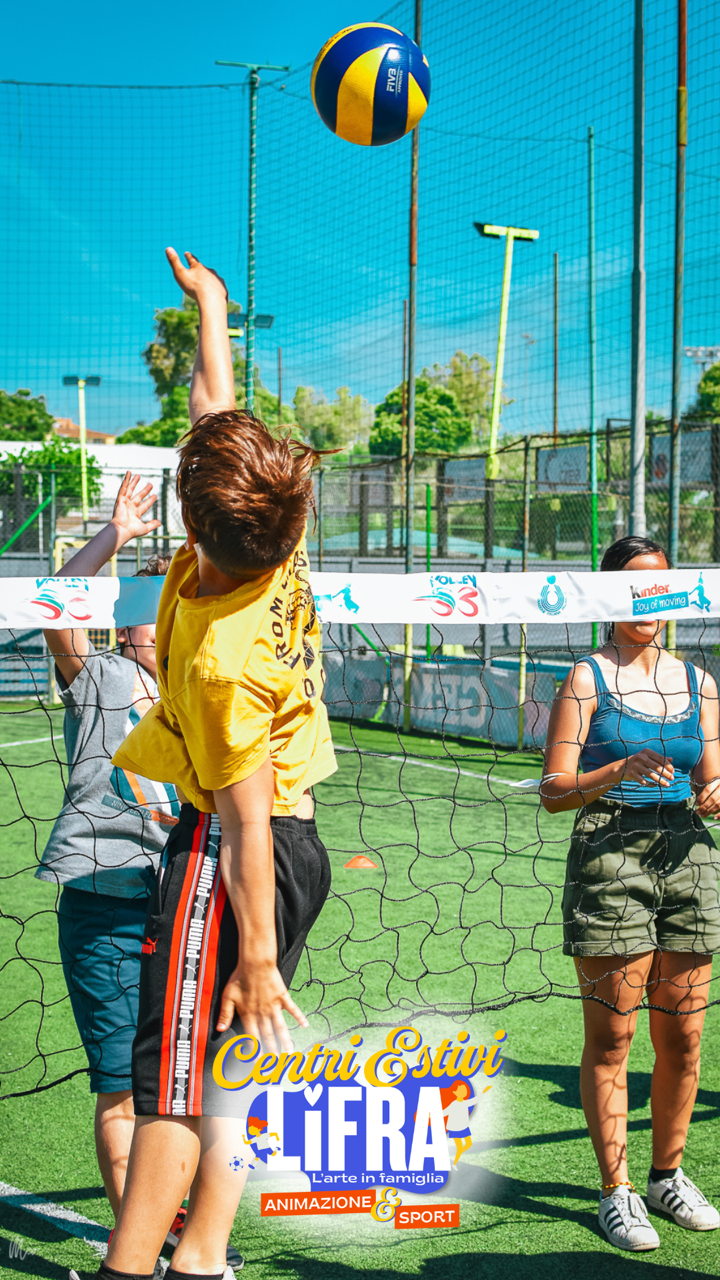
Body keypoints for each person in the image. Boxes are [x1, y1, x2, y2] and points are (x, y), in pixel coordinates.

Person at [97, 246, 336, 1280]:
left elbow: (240, 822)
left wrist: (256, 952)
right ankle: (199, 1257)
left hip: (236, 860)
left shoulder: (221, 663)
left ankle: (128, 1268)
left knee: (174, 1087)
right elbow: (217, 409)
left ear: (191, 516)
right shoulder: (271, 534)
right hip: (294, 838)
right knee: (227, 1073)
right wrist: (214, 309)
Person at [541, 534, 720, 1253]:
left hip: (691, 858)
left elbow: (714, 776)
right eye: (632, 587)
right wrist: (615, 773)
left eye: (660, 587)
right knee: (611, 1037)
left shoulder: (701, 683)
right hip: (610, 854)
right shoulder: (586, 679)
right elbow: (554, 792)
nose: (647, 601)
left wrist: (714, 791)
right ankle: (615, 1190)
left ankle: (667, 1176)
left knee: (683, 1037)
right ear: (607, 595)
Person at [37, 474, 179, 1234]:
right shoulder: (100, 678)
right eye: (141, 610)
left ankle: (171, 1222)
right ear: (123, 623)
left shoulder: (203, 691)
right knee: (123, 1084)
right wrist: (117, 534)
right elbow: (57, 596)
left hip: (186, 901)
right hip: (106, 901)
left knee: (181, 1085)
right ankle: (137, 1245)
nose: (153, 622)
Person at [441, 1080, 476, 1166]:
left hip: (463, 1127)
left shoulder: (464, 1102)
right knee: (460, 1147)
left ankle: (455, 1156)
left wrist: (483, 1092)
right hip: (454, 1128)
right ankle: (454, 1163)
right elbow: (444, 1112)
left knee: (468, 1144)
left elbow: (474, 1101)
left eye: (465, 1090)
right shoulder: (454, 1104)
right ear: (454, 1092)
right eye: (461, 1090)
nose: (464, 1092)